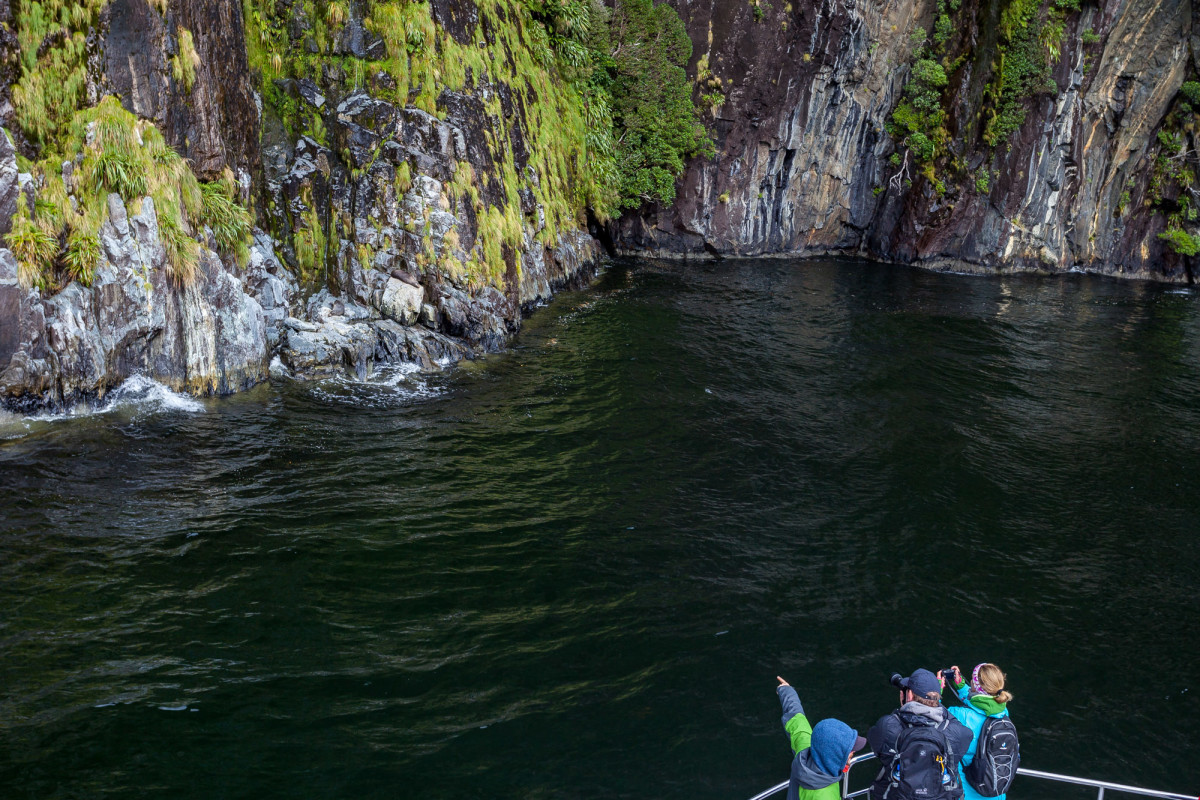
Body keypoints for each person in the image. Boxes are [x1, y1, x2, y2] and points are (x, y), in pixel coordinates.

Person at [866, 668, 973, 800]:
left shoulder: (888, 726)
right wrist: (936, 703)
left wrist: (903, 710)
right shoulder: (955, 732)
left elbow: (874, 739)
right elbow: (964, 732)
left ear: (909, 695)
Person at [776, 676, 868, 800]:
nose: (853, 752)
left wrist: (786, 691)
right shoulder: (824, 795)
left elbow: (796, 719)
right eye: (849, 750)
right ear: (834, 756)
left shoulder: (806, 749)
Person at [944, 664, 1015, 800]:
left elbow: (933, 717)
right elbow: (982, 703)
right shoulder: (1003, 713)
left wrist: (936, 690)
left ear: (975, 685)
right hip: (996, 794)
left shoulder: (959, 715)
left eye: (972, 679)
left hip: (967, 794)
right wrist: (960, 685)